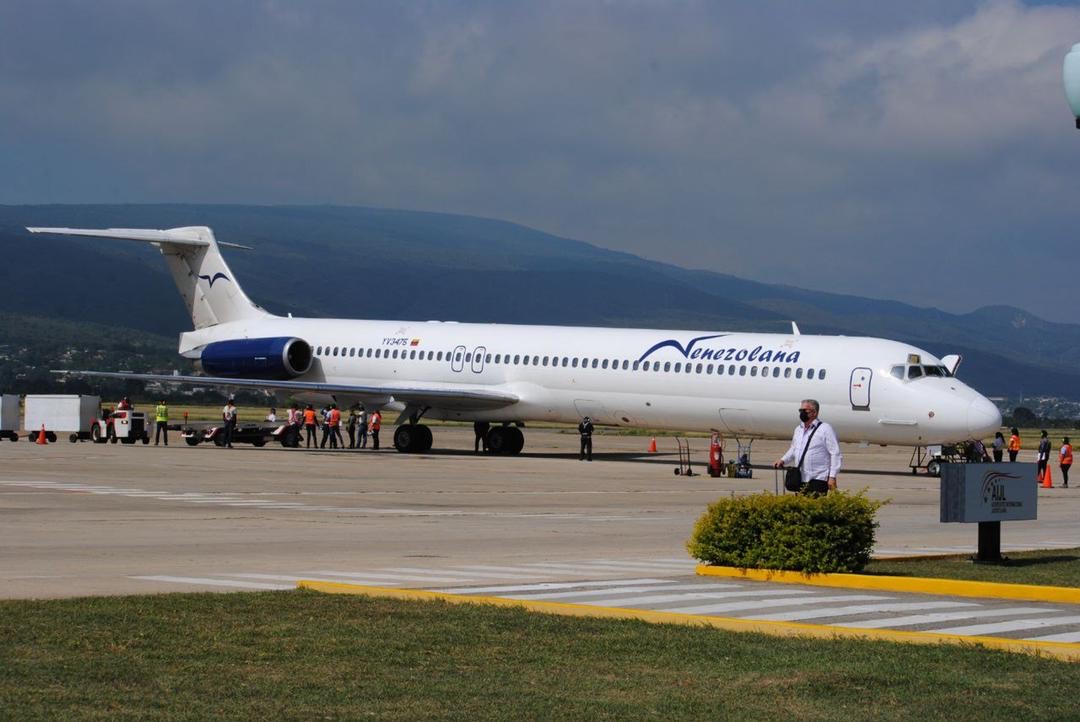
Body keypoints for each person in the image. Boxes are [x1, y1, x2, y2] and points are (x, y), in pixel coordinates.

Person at [774, 399, 842, 495]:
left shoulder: (825, 429)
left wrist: (832, 476)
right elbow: (793, 449)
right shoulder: (798, 429)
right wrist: (783, 460)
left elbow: (835, 453)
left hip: (818, 478)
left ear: (814, 412)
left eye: (805, 411)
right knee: (801, 507)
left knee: (815, 507)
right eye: (800, 410)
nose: (802, 413)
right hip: (801, 478)